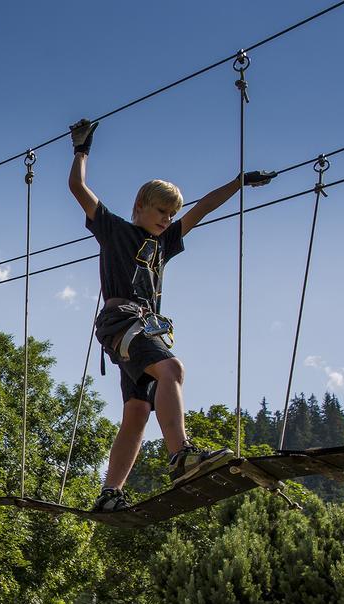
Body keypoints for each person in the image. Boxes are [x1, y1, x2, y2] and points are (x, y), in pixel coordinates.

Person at [68, 118, 275, 512]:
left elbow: (202, 209)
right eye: (161, 211)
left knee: (137, 413)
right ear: (139, 207)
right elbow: (78, 188)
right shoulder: (114, 229)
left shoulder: (166, 242)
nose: (166, 219)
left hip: (140, 328)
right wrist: (82, 149)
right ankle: (181, 455)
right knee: (172, 370)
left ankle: (110, 493)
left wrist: (238, 182)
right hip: (122, 321)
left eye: (170, 214)